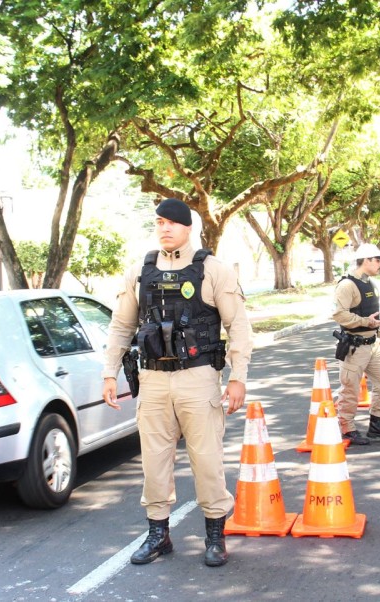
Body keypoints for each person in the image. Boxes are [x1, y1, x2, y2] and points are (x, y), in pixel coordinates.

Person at [100, 197, 252, 568]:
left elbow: (238, 327)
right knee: (154, 462)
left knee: (207, 460)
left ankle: (215, 536)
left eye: (172, 222)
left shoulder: (213, 270)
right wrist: (109, 372)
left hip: (198, 379)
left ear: (188, 228)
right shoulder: (140, 271)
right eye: (159, 222)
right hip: (152, 380)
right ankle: (158, 535)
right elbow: (122, 325)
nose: (164, 227)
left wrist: (238, 378)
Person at [331, 242, 380, 445]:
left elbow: (374, 313)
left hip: (373, 345)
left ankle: (377, 425)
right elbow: (339, 315)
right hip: (355, 346)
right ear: (366, 260)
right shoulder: (347, 285)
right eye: (377, 260)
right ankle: (347, 428)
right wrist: (365, 322)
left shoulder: (370, 283)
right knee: (350, 389)